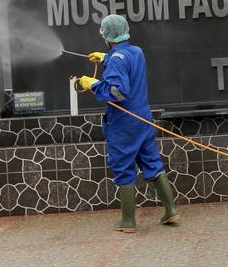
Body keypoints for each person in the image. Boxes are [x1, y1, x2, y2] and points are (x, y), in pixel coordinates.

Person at [72, 14, 180, 232]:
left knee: (123, 168)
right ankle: (171, 210)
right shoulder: (136, 51)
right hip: (143, 119)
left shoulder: (116, 59)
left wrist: (93, 84)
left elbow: (118, 91)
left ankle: (128, 221)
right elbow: (124, 61)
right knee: (152, 163)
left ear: (106, 36)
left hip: (124, 124)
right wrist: (105, 58)